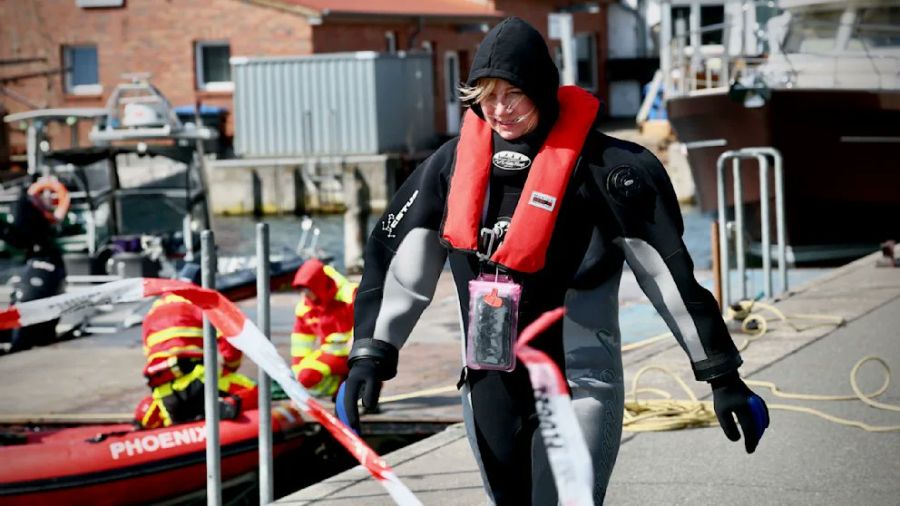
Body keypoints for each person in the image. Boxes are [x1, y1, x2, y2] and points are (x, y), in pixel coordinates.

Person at [340, 17, 770, 505]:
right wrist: (370, 355)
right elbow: (395, 265)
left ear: (542, 90)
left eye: (512, 94)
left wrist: (722, 376)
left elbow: (670, 281)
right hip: (489, 386)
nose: (498, 109)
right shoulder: (449, 166)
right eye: (486, 94)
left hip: (580, 383)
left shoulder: (610, 170)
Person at [134, 286, 257, 430]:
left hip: (164, 390)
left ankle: (142, 428)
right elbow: (229, 343)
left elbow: (149, 353)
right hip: (198, 380)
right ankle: (225, 407)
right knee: (255, 391)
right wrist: (230, 368)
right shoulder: (197, 302)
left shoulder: (150, 314)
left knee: (153, 409)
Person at [0, 184, 67, 353]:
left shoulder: (32, 215)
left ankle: (27, 339)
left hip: (43, 264)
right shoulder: (28, 214)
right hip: (38, 262)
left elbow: (19, 238)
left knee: (30, 303)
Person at [290, 258, 357, 397]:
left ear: (318, 284)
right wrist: (297, 378)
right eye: (301, 290)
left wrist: (357, 340)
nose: (305, 294)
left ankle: (363, 392)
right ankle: (341, 390)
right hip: (332, 355)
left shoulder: (350, 294)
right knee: (305, 377)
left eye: (308, 289)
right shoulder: (305, 308)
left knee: (367, 370)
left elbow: (368, 319)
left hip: (357, 352)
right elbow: (301, 344)